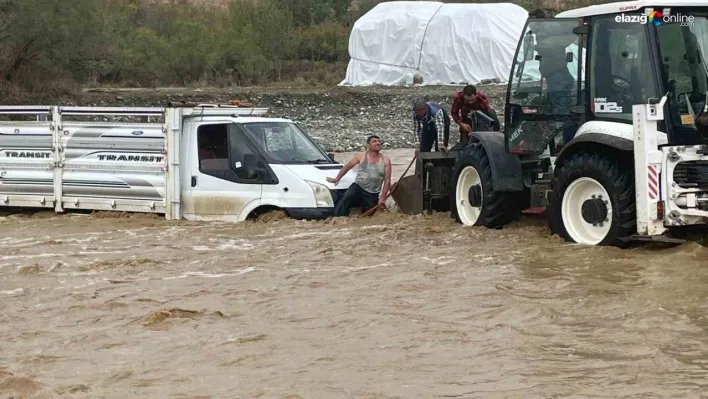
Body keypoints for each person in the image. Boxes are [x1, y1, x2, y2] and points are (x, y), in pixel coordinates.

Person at [327, 135, 392, 217]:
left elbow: (387, 181)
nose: (378, 143)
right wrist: (337, 178)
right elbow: (347, 166)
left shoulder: (386, 160)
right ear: (368, 145)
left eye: (379, 141)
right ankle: (336, 219)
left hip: (373, 193)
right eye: (374, 141)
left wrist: (382, 197)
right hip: (358, 187)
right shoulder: (361, 156)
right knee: (345, 199)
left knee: (369, 216)